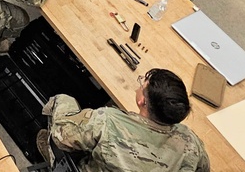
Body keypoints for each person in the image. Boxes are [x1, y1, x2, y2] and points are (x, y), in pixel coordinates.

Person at [38, 68, 210, 171]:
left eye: (142, 84)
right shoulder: (192, 143)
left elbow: (62, 137)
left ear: (142, 101)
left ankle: (53, 159)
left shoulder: (108, 121)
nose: (140, 83)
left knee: (62, 118)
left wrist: (62, 102)